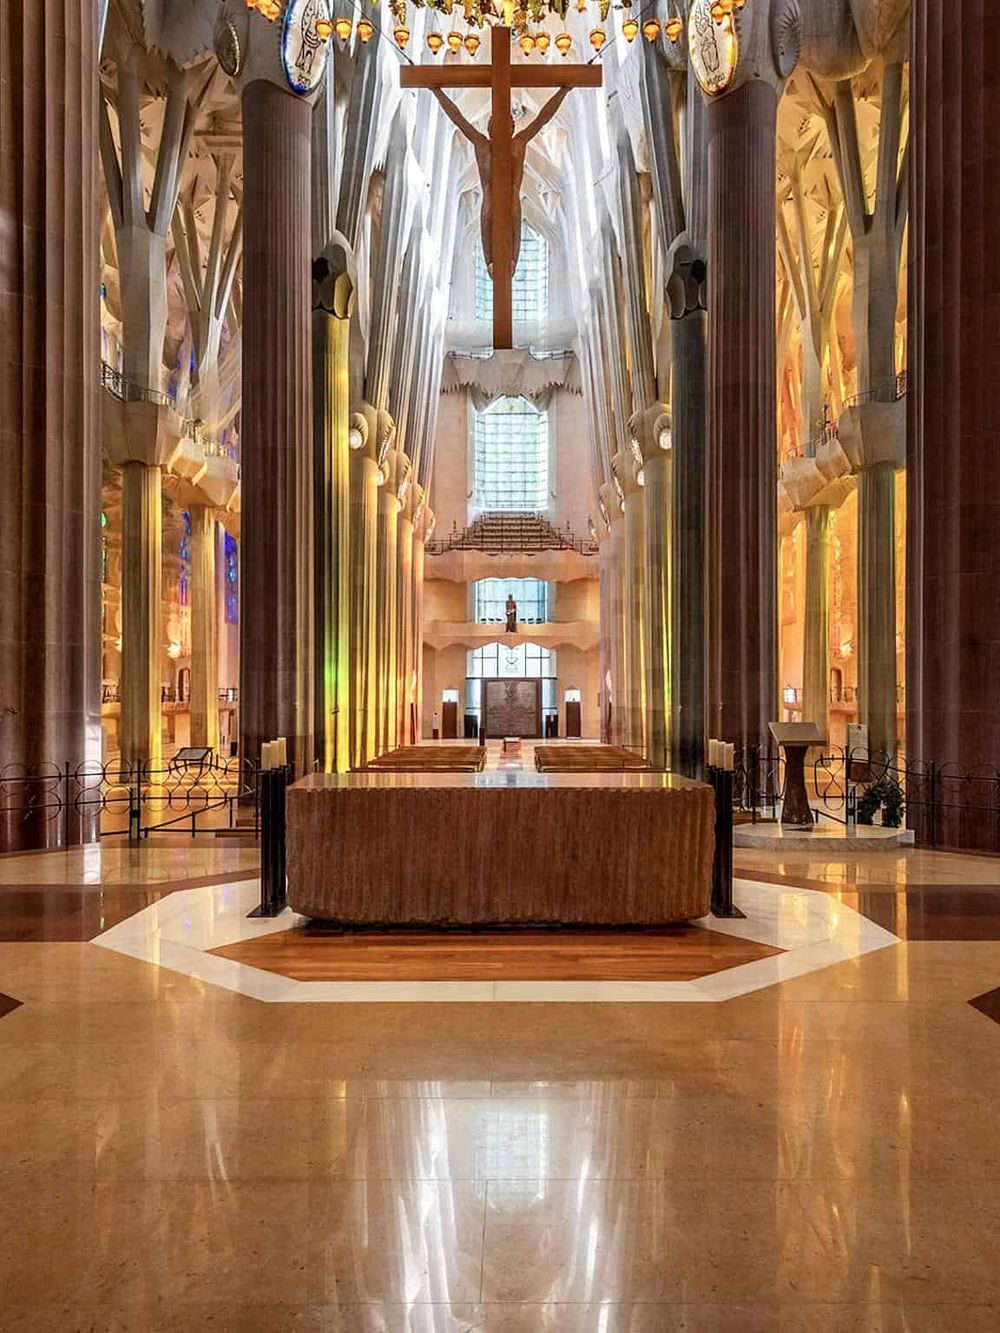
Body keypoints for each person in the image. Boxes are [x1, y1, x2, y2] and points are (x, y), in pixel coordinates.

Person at [431, 85, 571, 272]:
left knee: (511, 217)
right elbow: (457, 118)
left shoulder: (515, 144)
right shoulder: (486, 145)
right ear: (489, 128)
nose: (501, 126)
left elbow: (542, 118)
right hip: (492, 199)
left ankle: (511, 260)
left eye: (508, 123)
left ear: (512, 128)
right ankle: (490, 260)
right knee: (490, 215)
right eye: (495, 123)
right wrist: (437, 92)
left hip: (510, 200)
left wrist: (563, 92)